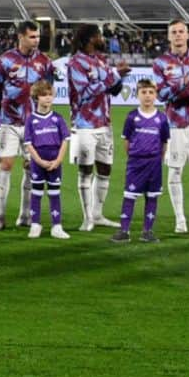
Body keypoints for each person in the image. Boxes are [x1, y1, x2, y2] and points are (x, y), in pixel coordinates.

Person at [0, 22, 53, 230]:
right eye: (32, 36)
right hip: (9, 122)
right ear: (21, 37)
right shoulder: (5, 60)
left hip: (34, 123)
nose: (36, 40)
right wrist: (5, 108)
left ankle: (25, 215)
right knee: (5, 165)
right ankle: (0, 217)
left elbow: (47, 90)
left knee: (30, 168)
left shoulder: (44, 62)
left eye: (38, 36)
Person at [65, 24, 129, 233]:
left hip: (105, 123)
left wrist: (120, 78)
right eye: (99, 35)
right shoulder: (75, 62)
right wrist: (113, 76)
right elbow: (84, 92)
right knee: (85, 170)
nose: (102, 38)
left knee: (105, 168)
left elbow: (112, 89)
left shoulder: (102, 60)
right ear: (90, 38)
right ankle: (87, 218)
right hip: (84, 123)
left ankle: (98, 214)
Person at [152, 21, 189, 234]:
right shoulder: (160, 63)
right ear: (169, 37)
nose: (178, 36)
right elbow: (162, 94)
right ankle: (180, 220)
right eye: (173, 33)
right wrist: (188, 85)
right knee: (175, 171)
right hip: (175, 123)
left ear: (188, 35)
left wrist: (184, 88)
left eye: (181, 32)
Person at [111, 80, 169, 244]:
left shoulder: (162, 118)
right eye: (143, 92)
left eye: (151, 92)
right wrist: (135, 155)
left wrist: (159, 157)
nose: (147, 96)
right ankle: (124, 230)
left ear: (156, 95)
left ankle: (147, 231)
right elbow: (127, 141)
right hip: (136, 162)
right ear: (137, 95)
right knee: (129, 196)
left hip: (154, 163)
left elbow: (164, 142)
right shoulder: (132, 116)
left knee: (152, 196)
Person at [21, 79, 69, 239]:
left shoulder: (58, 118)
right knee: (36, 193)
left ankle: (57, 226)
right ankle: (35, 224)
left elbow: (65, 141)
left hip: (55, 161)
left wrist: (58, 161)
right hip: (38, 161)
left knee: (55, 193)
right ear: (36, 97)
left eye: (50, 95)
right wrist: (39, 161)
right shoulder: (30, 120)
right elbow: (28, 144)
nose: (48, 98)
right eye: (43, 95)